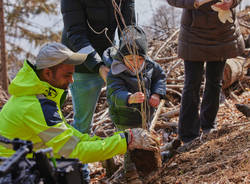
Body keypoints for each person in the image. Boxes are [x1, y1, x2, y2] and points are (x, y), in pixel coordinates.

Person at [0, 42, 159, 183]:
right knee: (71, 167)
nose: (72, 81)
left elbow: (70, 136)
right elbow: (75, 151)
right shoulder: (35, 106)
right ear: (48, 73)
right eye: (67, 75)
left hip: (19, 164)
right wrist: (126, 140)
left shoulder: (37, 95)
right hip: (11, 173)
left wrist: (103, 142)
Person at [165, 0, 245, 150]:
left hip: (222, 34)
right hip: (193, 34)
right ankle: (188, 135)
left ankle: (209, 125)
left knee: (215, 82)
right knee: (192, 83)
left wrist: (232, 1)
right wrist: (195, 2)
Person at [60, 0, 136, 134]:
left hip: (109, 54)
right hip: (80, 62)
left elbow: (128, 26)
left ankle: (126, 150)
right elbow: (75, 33)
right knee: (83, 124)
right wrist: (98, 66)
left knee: (126, 117)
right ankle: (81, 152)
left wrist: (130, 54)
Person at [103, 26, 166, 183]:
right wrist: (129, 98)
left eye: (140, 59)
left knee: (146, 141)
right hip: (125, 118)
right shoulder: (115, 72)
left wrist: (157, 94)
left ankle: (149, 168)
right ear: (123, 57)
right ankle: (130, 174)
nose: (135, 64)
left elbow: (160, 77)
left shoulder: (150, 65)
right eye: (130, 59)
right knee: (129, 146)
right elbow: (115, 93)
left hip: (145, 114)